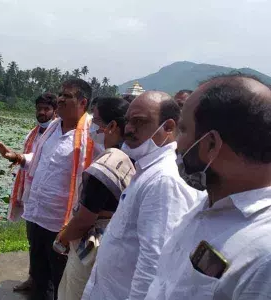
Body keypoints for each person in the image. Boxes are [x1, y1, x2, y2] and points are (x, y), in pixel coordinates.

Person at [145, 75, 271, 299]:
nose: (176, 143)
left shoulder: (263, 254)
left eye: (182, 130)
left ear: (211, 144)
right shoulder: (206, 205)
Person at [82, 91, 199, 300]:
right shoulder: (146, 169)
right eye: (128, 121)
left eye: (139, 122)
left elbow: (154, 263)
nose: (128, 129)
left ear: (169, 127)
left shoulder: (164, 180)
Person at [0, 79, 98, 300]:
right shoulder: (52, 128)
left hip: (62, 221)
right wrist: (17, 157)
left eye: (66, 96)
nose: (59, 99)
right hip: (37, 213)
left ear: (83, 102)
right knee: (39, 273)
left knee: (60, 278)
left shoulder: (92, 136)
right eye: (60, 94)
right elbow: (39, 161)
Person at [56, 97, 136, 300]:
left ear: (112, 126)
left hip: (91, 247)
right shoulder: (133, 158)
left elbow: (85, 218)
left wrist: (62, 238)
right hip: (115, 245)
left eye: (96, 120)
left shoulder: (108, 164)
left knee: (72, 293)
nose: (91, 125)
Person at [11, 92, 57, 292]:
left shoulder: (58, 134)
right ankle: (34, 279)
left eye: (46, 109)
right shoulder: (34, 133)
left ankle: (49, 284)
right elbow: (30, 160)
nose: (42, 113)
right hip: (32, 193)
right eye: (39, 109)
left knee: (51, 246)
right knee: (33, 240)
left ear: (55, 111)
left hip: (52, 199)